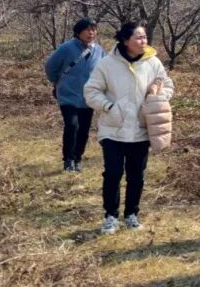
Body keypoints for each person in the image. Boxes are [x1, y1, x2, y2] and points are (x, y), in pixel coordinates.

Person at [83, 22, 175, 235]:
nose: (144, 41)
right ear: (125, 40)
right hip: (113, 129)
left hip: (140, 129)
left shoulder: (153, 62)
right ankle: (110, 216)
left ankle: (132, 214)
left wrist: (157, 97)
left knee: (136, 175)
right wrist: (109, 107)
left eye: (145, 37)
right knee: (113, 173)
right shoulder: (107, 63)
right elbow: (91, 90)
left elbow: (168, 85)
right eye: (139, 37)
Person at [44, 18, 105, 172]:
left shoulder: (99, 50)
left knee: (84, 129)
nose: (91, 33)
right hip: (68, 95)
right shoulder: (66, 48)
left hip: (88, 97)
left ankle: (77, 158)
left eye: (93, 29)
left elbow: (105, 70)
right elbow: (50, 67)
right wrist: (57, 82)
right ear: (78, 32)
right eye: (87, 30)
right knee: (72, 125)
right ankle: (68, 160)